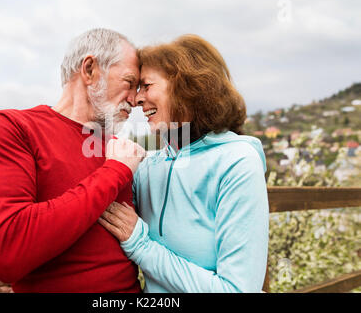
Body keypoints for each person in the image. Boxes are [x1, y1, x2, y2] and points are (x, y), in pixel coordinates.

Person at [0, 28, 146, 293]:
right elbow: (7, 255)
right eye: (129, 82)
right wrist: (115, 171)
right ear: (89, 69)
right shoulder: (14, 127)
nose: (135, 100)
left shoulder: (121, 150)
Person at [99, 34, 270, 293]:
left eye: (146, 86)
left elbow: (236, 290)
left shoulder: (237, 163)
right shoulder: (148, 167)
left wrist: (141, 245)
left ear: (186, 87)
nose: (137, 99)